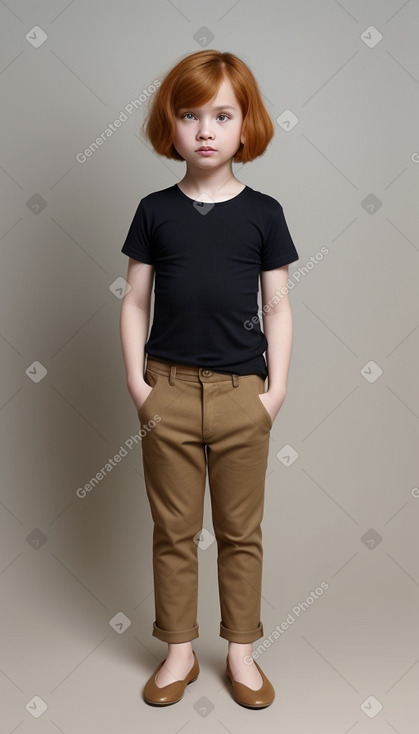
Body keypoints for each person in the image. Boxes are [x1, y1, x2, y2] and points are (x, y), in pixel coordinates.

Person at [120, 49, 299, 708]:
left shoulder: (264, 213)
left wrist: (272, 391)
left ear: (244, 126)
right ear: (170, 127)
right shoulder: (153, 210)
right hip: (166, 391)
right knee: (171, 531)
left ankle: (242, 654)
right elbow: (134, 300)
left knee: (238, 532)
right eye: (189, 114)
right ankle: (177, 654)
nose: (204, 129)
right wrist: (141, 389)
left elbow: (277, 306)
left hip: (240, 396)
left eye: (221, 114)